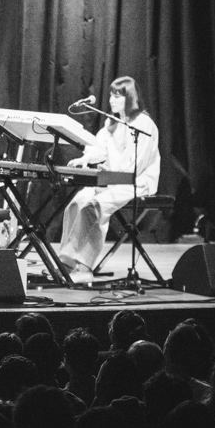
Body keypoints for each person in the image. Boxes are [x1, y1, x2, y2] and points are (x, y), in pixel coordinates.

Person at [59, 76, 160, 282]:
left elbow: (136, 165)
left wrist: (110, 177)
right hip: (111, 180)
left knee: (94, 205)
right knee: (76, 202)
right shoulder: (110, 123)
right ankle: (66, 261)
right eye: (111, 96)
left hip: (137, 182)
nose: (111, 101)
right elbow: (98, 148)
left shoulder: (144, 124)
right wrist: (84, 159)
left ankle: (85, 265)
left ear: (129, 98)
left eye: (117, 96)